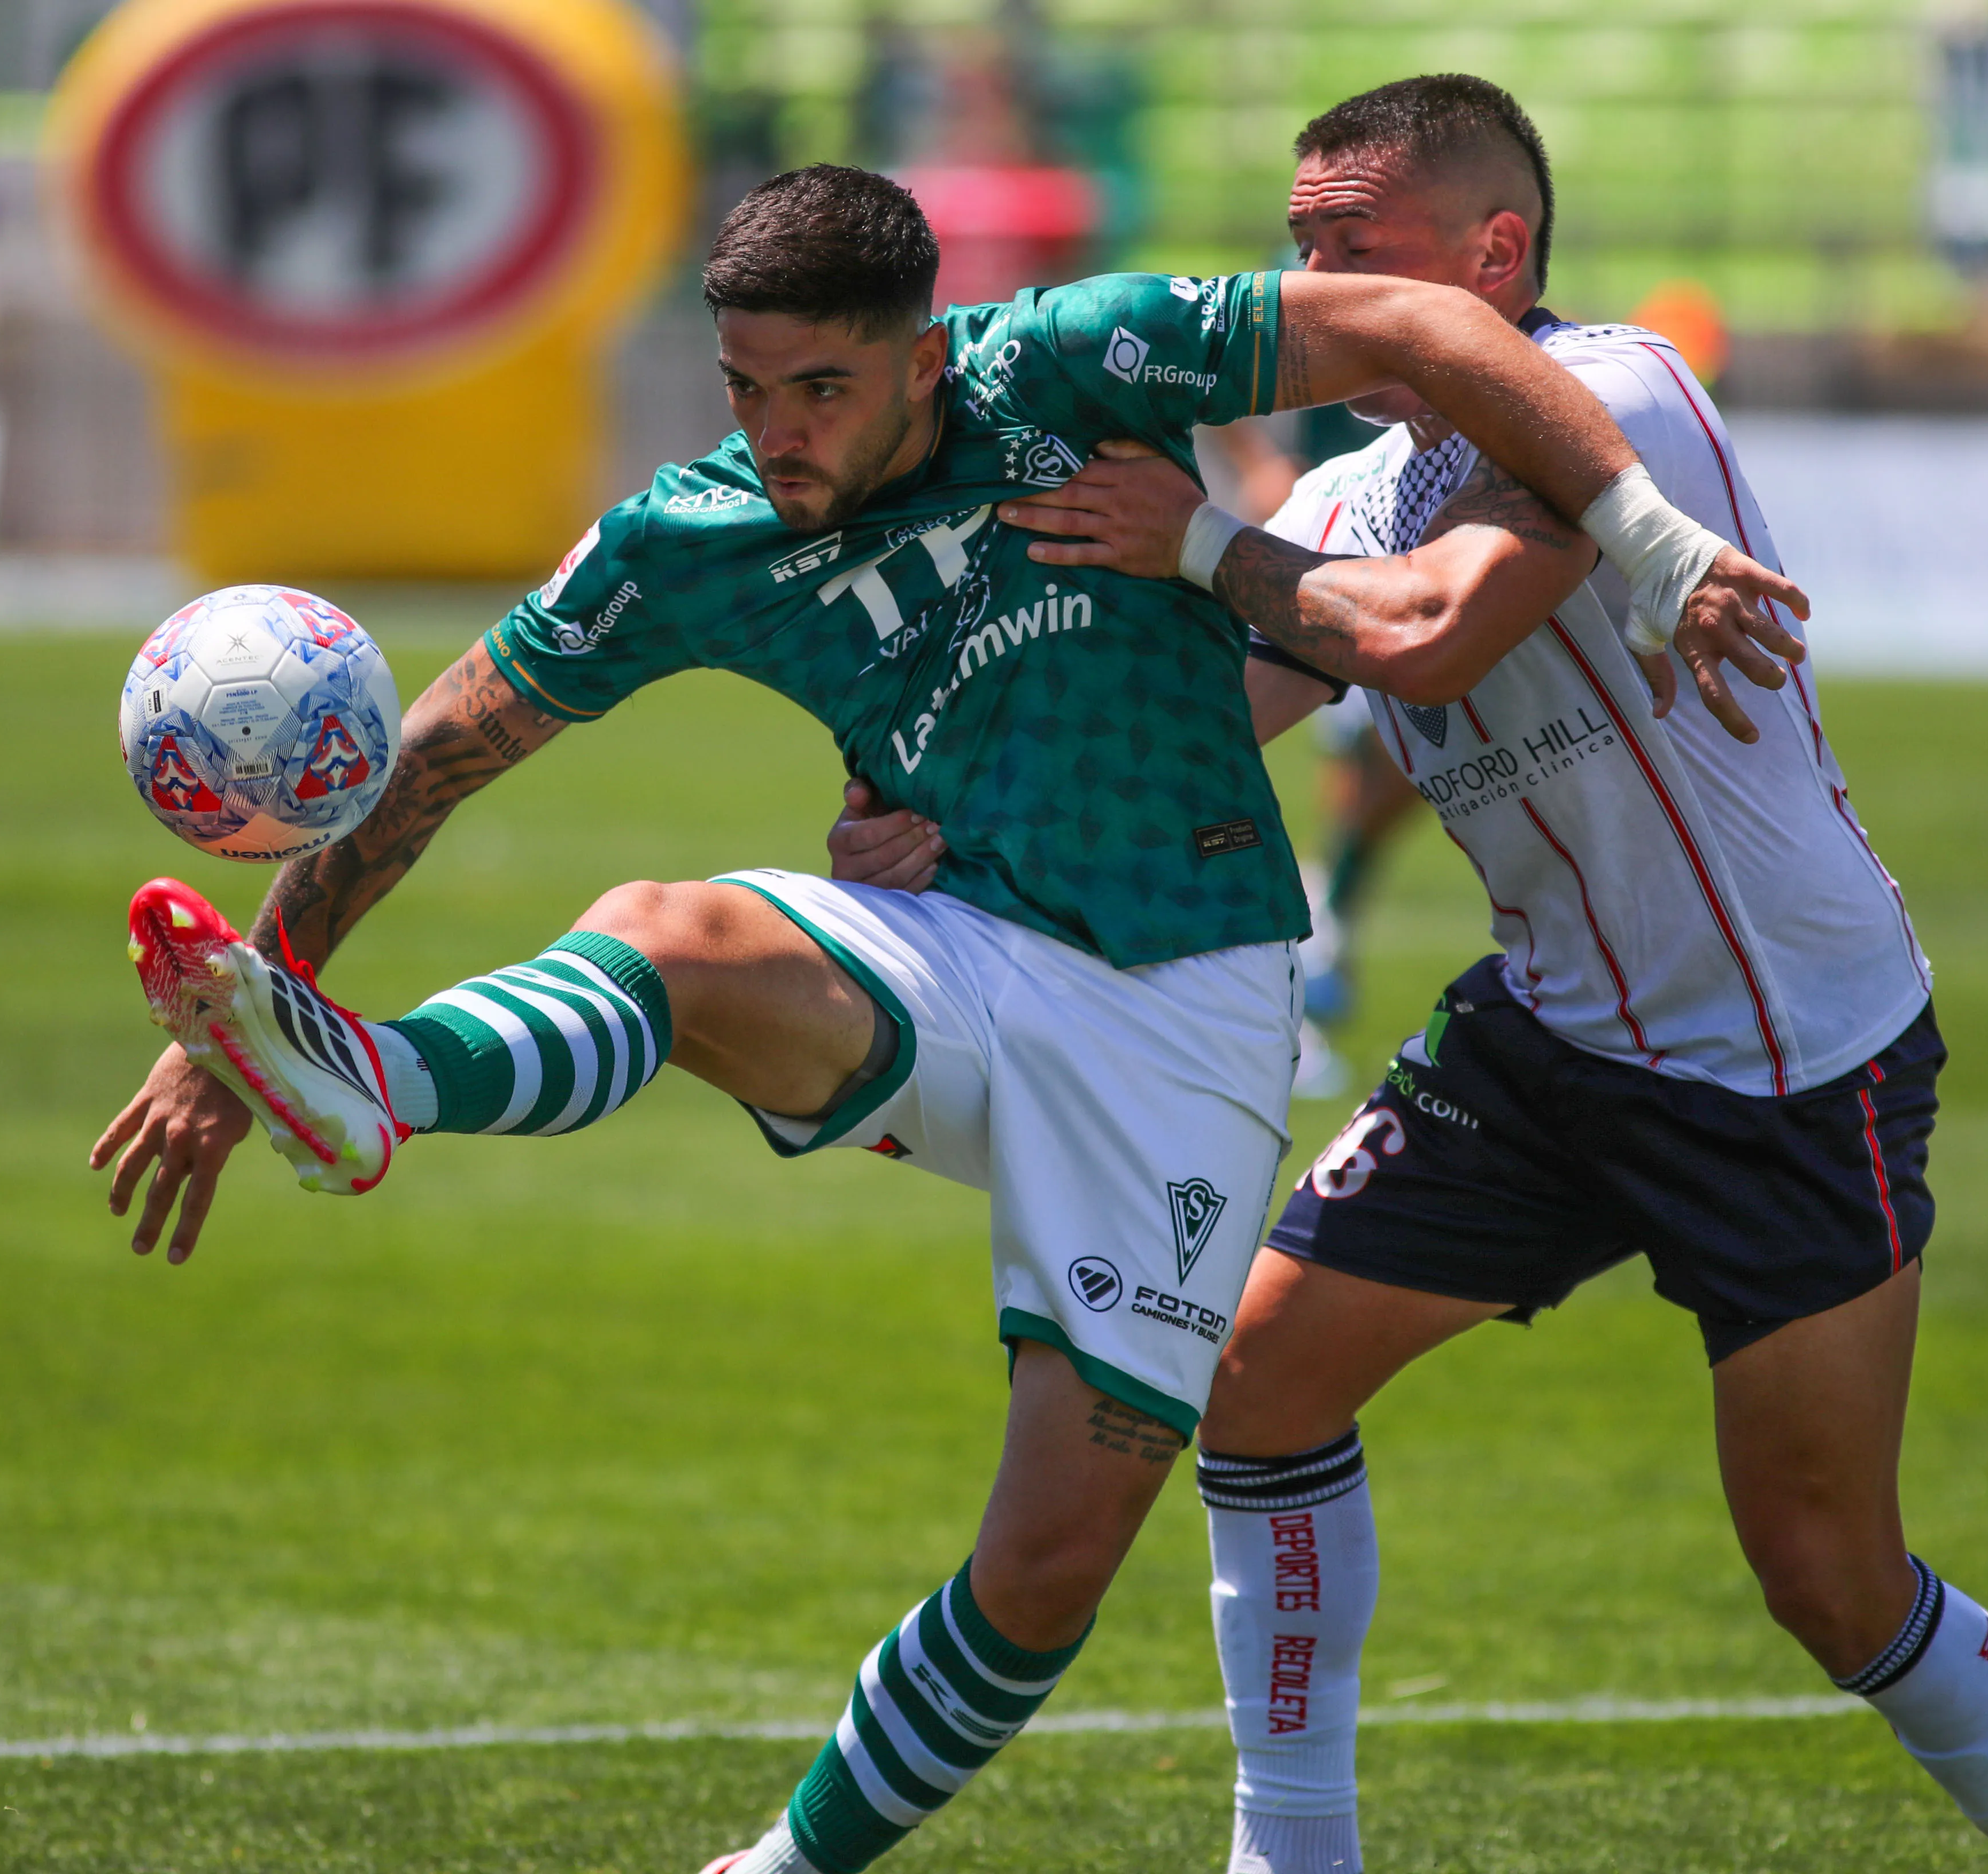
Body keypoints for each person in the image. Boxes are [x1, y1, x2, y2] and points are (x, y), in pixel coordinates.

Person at [88, 163, 1798, 1874]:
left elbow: (1425, 323)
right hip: (946, 953)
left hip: (1186, 1010)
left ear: (922, 357)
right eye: (745, 390)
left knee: (1045, 1570)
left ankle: (781, 1867)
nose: (777, 435)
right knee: (663, 934)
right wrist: (243, 1018)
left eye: (819, 388)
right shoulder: (688, 537)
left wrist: (1653, 539)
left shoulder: (1073, 365)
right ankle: (377, 1083)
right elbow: (439, 754)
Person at [830, 78, 1988, 1874]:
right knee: (1257, 1386)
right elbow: (1229, 715)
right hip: (1543, 1040)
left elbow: (1430, 646)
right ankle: (1293, 1854)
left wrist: (1200, 539)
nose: (1310, 289)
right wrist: (954, 815)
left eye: (1347, 251)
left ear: (1490, 253)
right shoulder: (1362, 485)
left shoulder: (1611, 401)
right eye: (1296, 250)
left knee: (1827, 1580)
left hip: (1786, 1057)